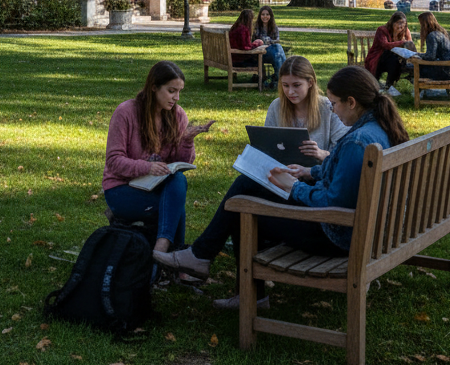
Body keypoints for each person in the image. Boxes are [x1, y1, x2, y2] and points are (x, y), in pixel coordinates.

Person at [154, 66, 408, 310]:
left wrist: (295, 187)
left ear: (352, 102)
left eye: (335, 104)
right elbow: (346, 173)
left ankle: (236, 284)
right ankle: (202, 256)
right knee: (250, 185)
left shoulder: (357, 141)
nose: (333, 110)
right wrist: (309, 171)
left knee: (244, 206)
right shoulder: (378, 127)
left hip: (338, 236)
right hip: (368, 229)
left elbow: (331, 202)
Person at [103, 61, 215, 259]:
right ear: (154, 87)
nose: (176, 98)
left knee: (178, 182)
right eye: (171, 91)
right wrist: (147, 167)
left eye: (179, 92)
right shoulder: (126, 112)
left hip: (155, 187)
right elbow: (114, 161)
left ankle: (162, 251)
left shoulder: (178, 115)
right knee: (174, 206)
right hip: (122, 188)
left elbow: (179, 164)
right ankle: (169, 255)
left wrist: (186, 141)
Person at [264, 55, 349, 163]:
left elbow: (344, 154)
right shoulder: (276, 106)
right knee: (243, 180)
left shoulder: (328, 107)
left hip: (317, 174)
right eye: (285, 85)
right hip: (283, 172)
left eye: (296, 85)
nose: (290, 92)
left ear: (310, 83)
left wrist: (320, 153)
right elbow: (267, 147)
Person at [365, 11, 416, 96]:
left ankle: (388, 86)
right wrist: (400, 41)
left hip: (396, 59)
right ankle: (388, 86)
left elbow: (410, 44)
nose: (402, 26)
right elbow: (385, 45)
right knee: (392, 57)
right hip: (379, 58)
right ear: (392, 22)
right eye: (399, 23)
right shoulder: (382, 30)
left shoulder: (405, 30)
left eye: (404, 23)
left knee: (395, 59)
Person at [228, 9, 282, 87]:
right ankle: (264, 81)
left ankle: (271, 78)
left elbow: (243, 44)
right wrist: (256, 45)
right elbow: (245, 47)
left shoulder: (236, 27)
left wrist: (252, 44)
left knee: (276, 50)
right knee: (260, 59)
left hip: (232, 57)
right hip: (238, 60)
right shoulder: (243, 29)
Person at [414, 11, 450, 86]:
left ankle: (422, 92)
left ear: (424, 24)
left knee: (415, 68)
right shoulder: (441, 33)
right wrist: (420, 54)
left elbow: (431, 57)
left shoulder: (432, 36)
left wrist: (418, 56)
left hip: (445, 72)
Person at [252, 6, 287, 85]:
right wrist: (269, 41)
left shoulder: (274, 27)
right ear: (260, 16)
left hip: (273, 52)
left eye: (267, 14)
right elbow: (254, 41)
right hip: (261, 53)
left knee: (278, 50)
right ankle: (284, 76)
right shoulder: (256, 27)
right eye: (263, 14)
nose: (265, 16)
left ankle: (280, 78)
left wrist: (268, 41)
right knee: (278, 51)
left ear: (270, 16)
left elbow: (277, 40)